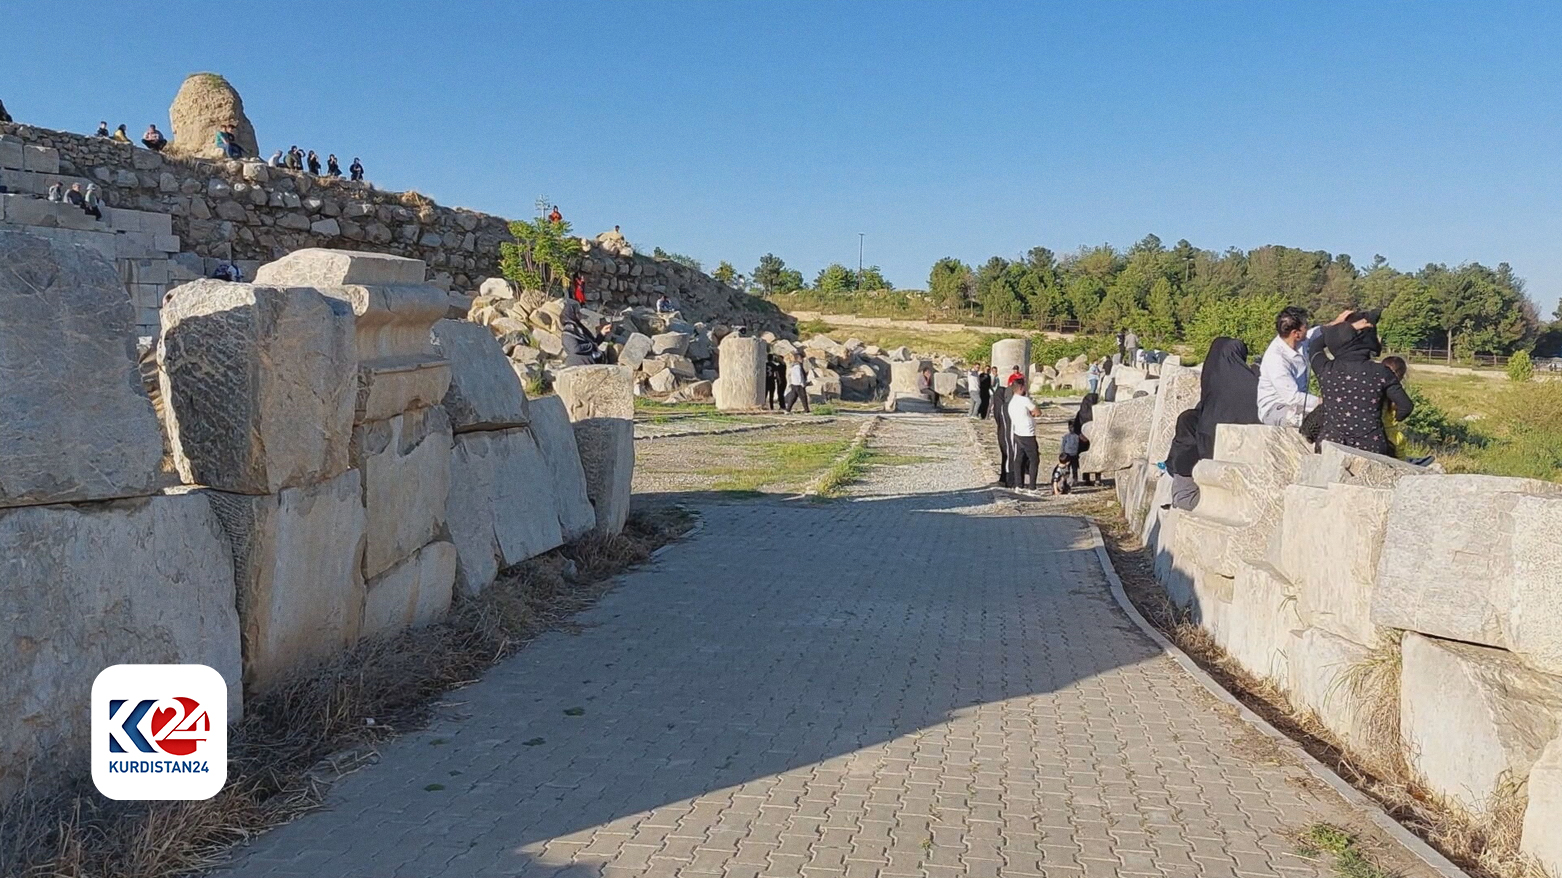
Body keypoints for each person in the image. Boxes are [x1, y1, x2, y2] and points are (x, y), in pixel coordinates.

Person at [1307, 310, 1412, 457]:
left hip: (1331, 444)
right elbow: (1406, 407)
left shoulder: (1325, 368)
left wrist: (1338, 327)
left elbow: (1313, 346)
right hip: (1371, 446)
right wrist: (1390, 421)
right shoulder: (1381, 372)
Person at [1257, 306, 1321, 427]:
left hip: (1298, 404)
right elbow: (1292, 397)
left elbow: (1316, 333)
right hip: (1276, 407)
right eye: (1305, 327)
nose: (1307, 329)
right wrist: (1320, 401)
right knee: (1307, 422)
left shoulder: (1299, 343)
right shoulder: (1276, 359)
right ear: (1295, 334)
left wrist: (1342, 323)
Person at [1007, 381, 1040, 490]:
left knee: (1019, 458)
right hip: (1028, 433)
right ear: (1021, 388)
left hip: (1018, 432)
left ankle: (1019, 485)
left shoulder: (1011, 402)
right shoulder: (1025, 400)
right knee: (1034, 459)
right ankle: (1032, 488)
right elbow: (1037, 412)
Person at [560, 298, 607, 366]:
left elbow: (594, 343)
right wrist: (591, 345)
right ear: (572, 315)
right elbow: (575, 349)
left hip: (590, 361)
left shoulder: (579, 329)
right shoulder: (568, 333)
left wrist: (602, 333)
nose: (580, 315)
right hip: (580, 364)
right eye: (578, 313)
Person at [990, 368, 1011, 484]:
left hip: (1001, 431)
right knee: (1009, 455)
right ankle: (1010, 478)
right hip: (1007, 431)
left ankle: (1004, 477)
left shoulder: (998, 408)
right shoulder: (1005, 407)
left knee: (1004, 455)